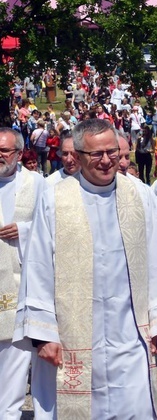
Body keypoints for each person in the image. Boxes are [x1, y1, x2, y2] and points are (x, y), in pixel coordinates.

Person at [14, 119, 157, 419]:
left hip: (130, 331)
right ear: (79, 155)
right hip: (73, 335)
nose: (106, 160)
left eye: (112, 152)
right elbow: (37, 266)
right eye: (96, 154)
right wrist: (42, 334)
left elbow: (154, 258)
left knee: (133, 406)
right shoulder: (55, 198)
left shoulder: (138, 195)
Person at [0, 128, 46, 419]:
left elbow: (50, 228)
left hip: (18, 286)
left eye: (5, 151)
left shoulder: (37, 184)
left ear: (19, 153)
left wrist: (25, 230)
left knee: (14, 368)